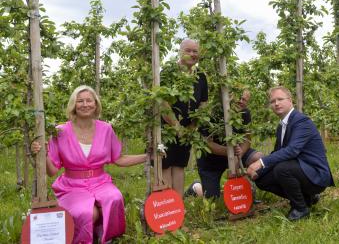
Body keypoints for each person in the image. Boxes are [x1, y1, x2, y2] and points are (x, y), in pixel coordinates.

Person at [31, 85, 150, 243]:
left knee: (114, 198)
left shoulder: (106, 129)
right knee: (86, 213)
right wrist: (43, 154)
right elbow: (52, 171)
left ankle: (107, 236)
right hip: (72, 185)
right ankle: (84, 237)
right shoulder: (60, 131)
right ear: (73, 105)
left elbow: (119, 159)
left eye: (89, 100)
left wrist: (149, 157)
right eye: (80, 101)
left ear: (95, 104)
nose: (85, 104)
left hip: (100, 182)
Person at [247, 86, 334, 221]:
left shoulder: (301, 121)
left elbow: (292, 150)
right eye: (273, 101)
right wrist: (261, 169)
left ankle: (300, 208)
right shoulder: (282, 125)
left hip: (315, 174)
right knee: (261, 178)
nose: (276, 103)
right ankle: (306, 198)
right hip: (300, 169)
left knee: (282, 169)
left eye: (280, 99)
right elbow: (278, 152)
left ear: (290, 101)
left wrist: (261, 162)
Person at [161, 39, 208, 197]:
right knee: (165, 165)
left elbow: (203, 103)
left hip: (188, 130)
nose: (192, 54)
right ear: (180, 52)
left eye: (195, 51)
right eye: (188, 50)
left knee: (180, 165)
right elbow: (163, 103)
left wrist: (191, 127)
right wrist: (177, 127)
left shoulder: (200, 76)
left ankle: (178, 207)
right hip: (167, 129)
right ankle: (167, 208)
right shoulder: (169, 73)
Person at [195, 90, 263, 198]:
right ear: (230, 96)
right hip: (211, 161)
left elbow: (247, 139)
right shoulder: (212, 113)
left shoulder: (245, 113)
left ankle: (248, 190)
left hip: (235, 153)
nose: (241, 101)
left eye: (244, 99)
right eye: (238, 98)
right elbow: (207, 144)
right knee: (212, 198)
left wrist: (240, 153)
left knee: (259, 158)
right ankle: (196, 187)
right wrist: (230, 152)